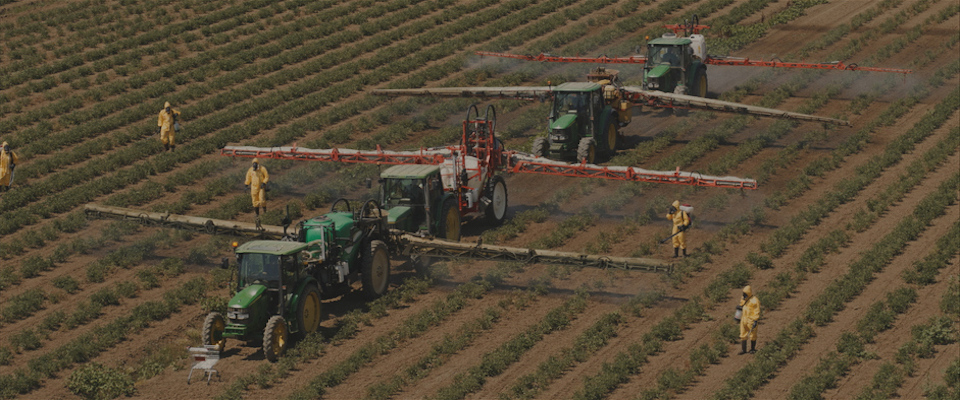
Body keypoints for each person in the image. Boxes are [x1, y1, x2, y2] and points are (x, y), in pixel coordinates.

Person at [738, 285, 761, 355]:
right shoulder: (744, 298)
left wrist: (755, 320)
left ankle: (752, 349)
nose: (743, 295)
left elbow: (757, 310)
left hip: (751, 320)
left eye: (745, 293)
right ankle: (743, 350)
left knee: (753, 334)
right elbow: (741, 305)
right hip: (744, 319)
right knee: (743, 334)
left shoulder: (755, 300)